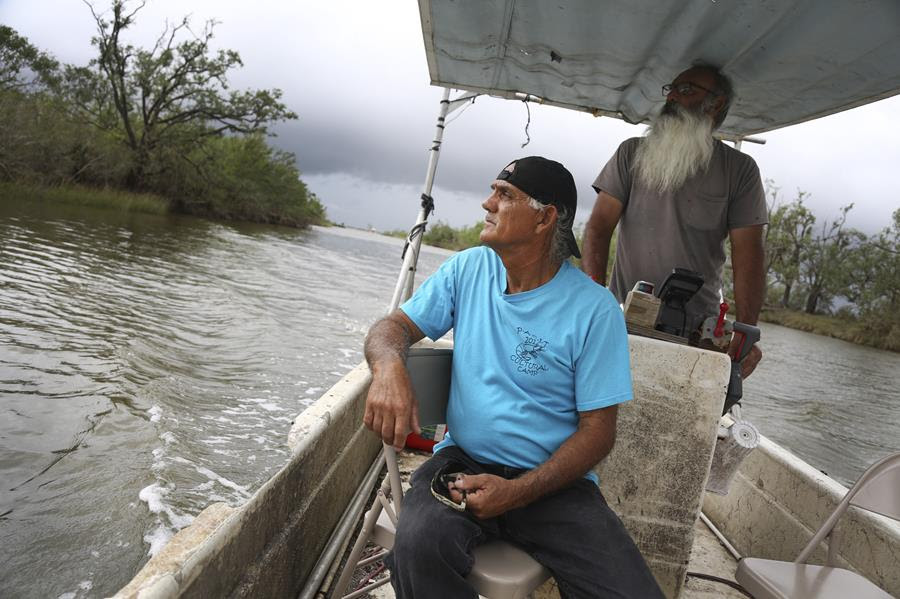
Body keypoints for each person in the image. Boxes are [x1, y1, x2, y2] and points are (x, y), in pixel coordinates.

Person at [363, 156, 663, 598]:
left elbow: (599, 434)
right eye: (493, 192)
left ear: (545, 217)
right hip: (462, 465)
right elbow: (391, 329)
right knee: (419, 548)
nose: (488, 203)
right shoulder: (469, 269)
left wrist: (518, 492)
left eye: (505, 195)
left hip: (554, 484)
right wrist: (389, 366)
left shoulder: (596, 310)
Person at [582, 64, 766, 379]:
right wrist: (593, 304)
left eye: (687, 90)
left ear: (716, 104)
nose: (672, 99)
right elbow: (597, 230)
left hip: (697, 333)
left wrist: (747, 329)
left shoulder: (740, 170)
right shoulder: (631, 153)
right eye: (672, 89)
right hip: (621, 319)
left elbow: (748, 255)